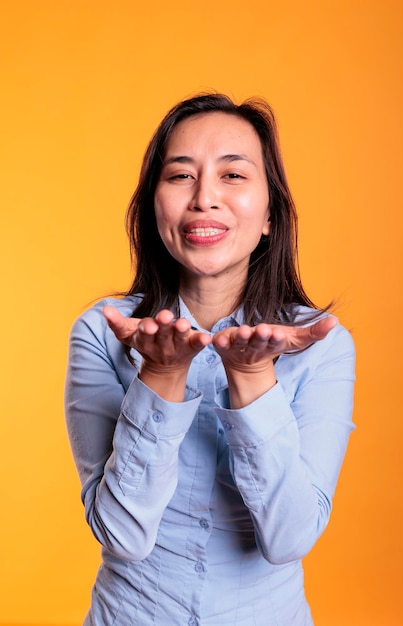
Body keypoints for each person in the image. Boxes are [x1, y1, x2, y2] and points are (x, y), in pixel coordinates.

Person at [65, 93, 355, 626]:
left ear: (270, 214)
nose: (204, 199)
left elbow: (289, 538)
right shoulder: (103, 332)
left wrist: (252, 377)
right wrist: (161, 375)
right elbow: (122, 536)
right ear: (154, 209)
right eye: (180, 176)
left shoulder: (322, 345)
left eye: (234, 176)